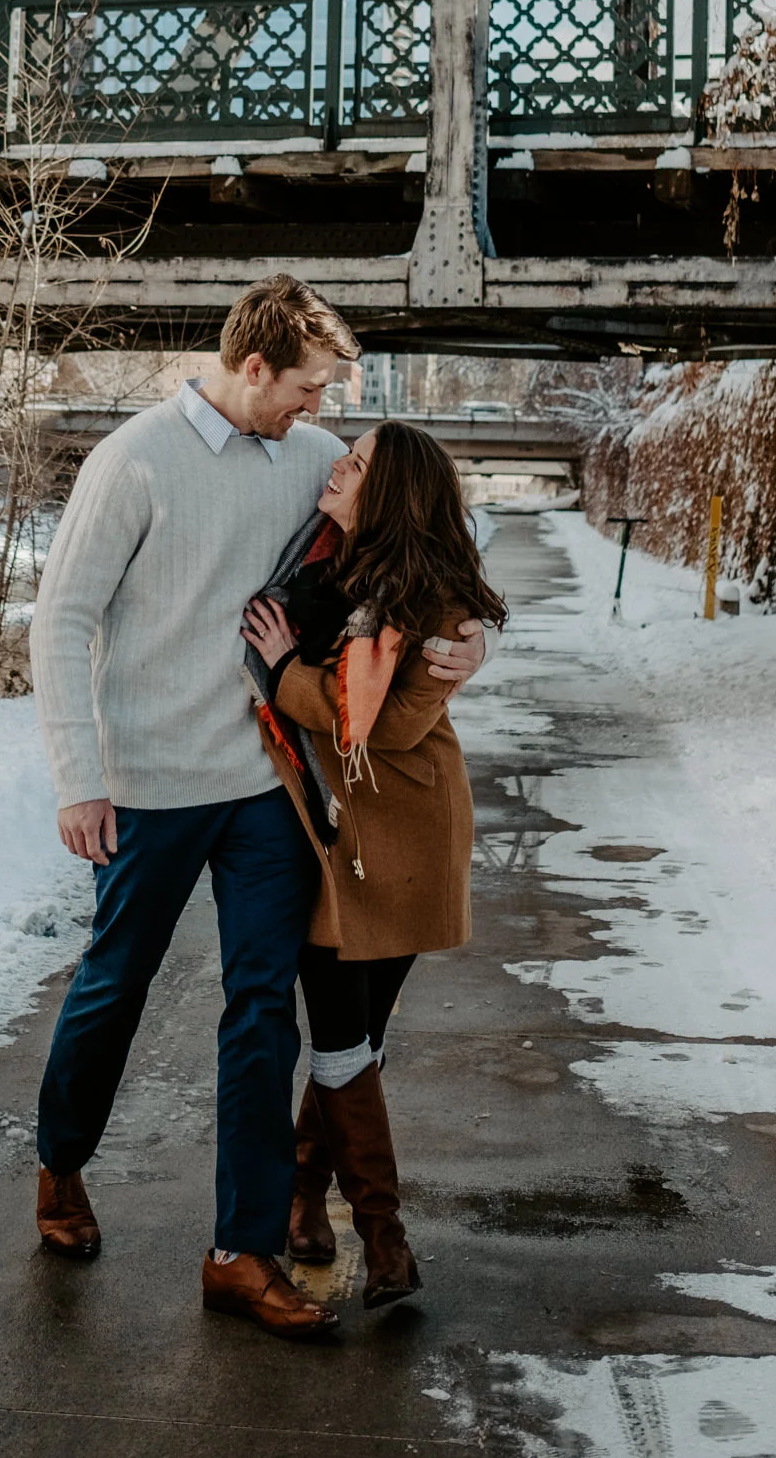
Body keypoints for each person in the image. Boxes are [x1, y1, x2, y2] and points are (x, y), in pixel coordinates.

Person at [30, 276, 488, 1341]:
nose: (321, 408)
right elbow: (61, 620)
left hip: (269, 786)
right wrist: (78, 777)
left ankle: (241, 1251)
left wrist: (472, 642)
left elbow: (429, 537)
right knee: (116, 983)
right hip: (150, 785)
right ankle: (60, 1162)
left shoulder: (312, 460)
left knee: (261, 1011)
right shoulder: (134, 461)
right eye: (308, 386)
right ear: (253, 368)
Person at [241, 420, 507, 1308]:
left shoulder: (440, 608)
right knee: (341, 1034)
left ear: (386, 492)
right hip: (329, 833)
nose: (336, 467)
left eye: (353, 465)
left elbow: (385, 727)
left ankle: (307, 1198)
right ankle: (381, 1237)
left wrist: (285, 670)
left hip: (404, 834)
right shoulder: (320, 569)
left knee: (358, 1036)